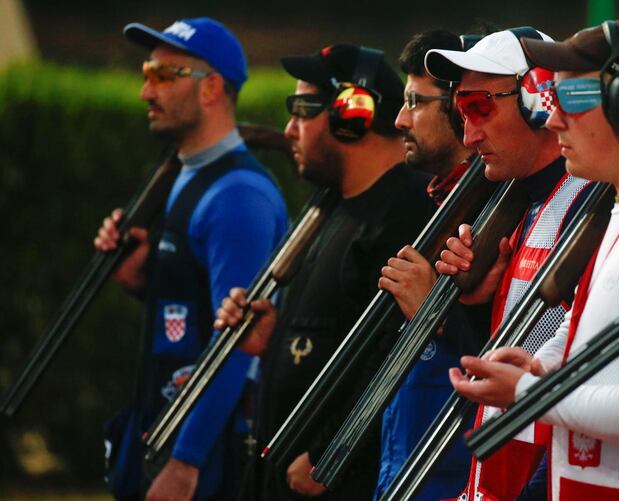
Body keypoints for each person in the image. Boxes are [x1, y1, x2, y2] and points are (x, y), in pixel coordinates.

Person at [446, 18, 619, 500]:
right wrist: (542, 367)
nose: (554, 118)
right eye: (551, 99)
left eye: (573, 100)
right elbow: (598, 340)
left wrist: (528, 394)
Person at [214, 44, 437, 499]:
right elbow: (336, 334)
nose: (289, 129)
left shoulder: (408, 212)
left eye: (302, 110)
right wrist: (274, 341)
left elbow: (399, 356)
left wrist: (332, 452)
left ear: (352, 114)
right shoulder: (333, 204)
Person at [93, 17, 288, 501]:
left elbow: (237, 345)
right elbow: (190, 313)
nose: (144, 92)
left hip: (207, 456)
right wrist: (139, 278)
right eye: (146, 72)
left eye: (162, 76)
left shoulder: (237, 195)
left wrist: (187, 461)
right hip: (161, 428)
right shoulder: (187, 175)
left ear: (211, 89)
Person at [426, 26, 593, 501]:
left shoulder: (585, 205)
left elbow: (585, 372)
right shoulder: (525, 204)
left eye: (480, 108)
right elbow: (510, 358)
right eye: (461, 112)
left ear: (538, 98)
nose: (468, 134)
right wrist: (476, 304)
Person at [372, 29, 479, 500]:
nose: (399, 119)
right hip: (408, 470)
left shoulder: (501, 210)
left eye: (415, 101)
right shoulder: (437, 200)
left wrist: (435, 316)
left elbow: (527, 353)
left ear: (460, 107)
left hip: (455, 476)